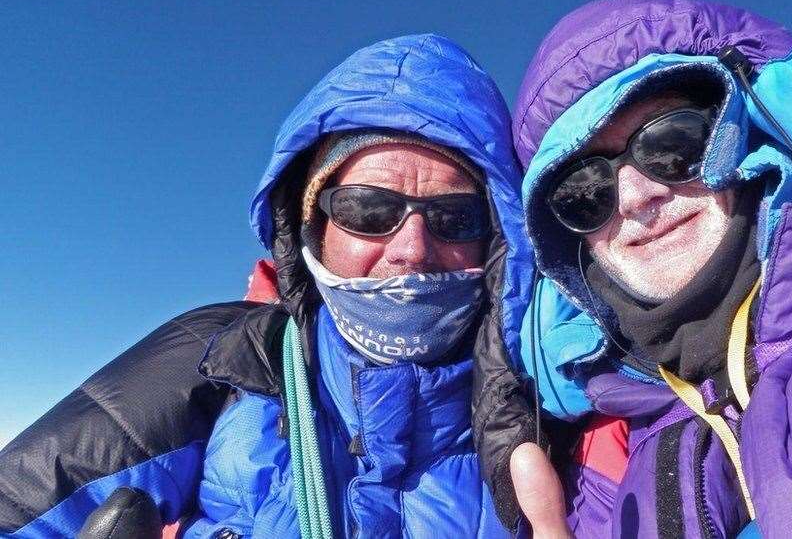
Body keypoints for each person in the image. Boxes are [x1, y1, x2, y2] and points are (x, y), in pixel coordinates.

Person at [472, 0, 792, 537]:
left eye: (671, 144)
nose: (636, 196)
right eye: (583, 192)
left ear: (743, 135)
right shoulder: (604, 451)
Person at [0, 34, 533, 538]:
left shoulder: (546, 396)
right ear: (311, 228)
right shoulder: (223, 357)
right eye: (369, 210)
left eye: (456, 218)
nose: (412, 248)